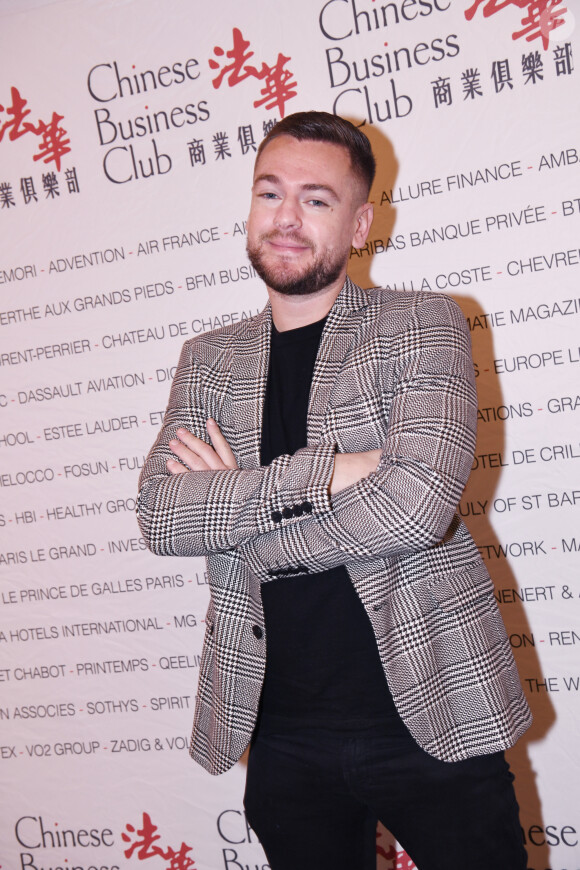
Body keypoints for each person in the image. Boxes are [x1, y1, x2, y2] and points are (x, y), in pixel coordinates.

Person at [137, 111, 532, 870]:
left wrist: (241, 513)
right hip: (281, 731)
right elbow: (161, 516)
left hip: (431, 713)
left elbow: (416, 506)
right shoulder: (208, 361)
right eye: (270, 193)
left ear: (359, 225)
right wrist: (323, 470)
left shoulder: (423, 325)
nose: (285, 218)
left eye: (316, 200)